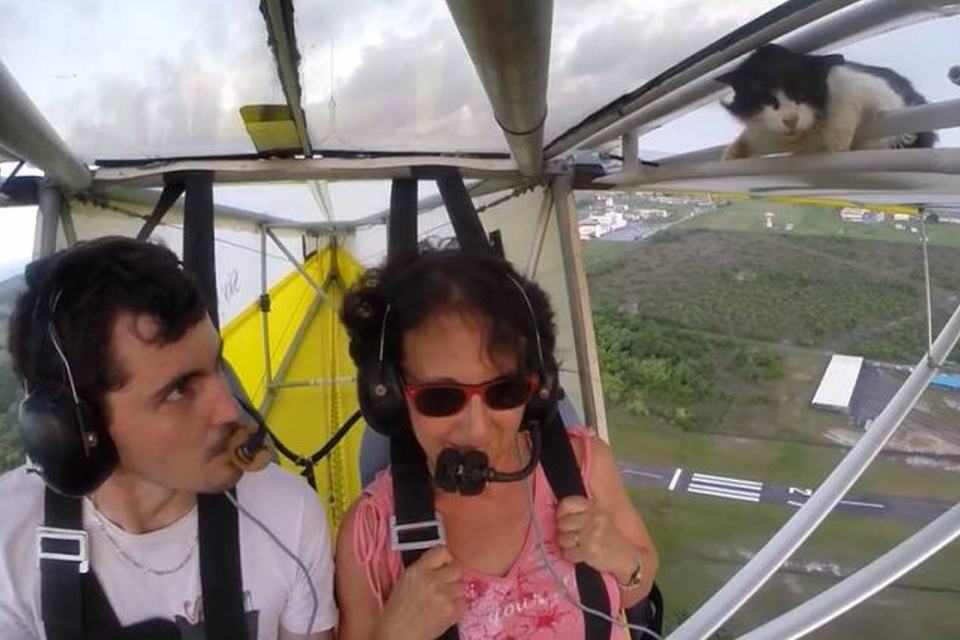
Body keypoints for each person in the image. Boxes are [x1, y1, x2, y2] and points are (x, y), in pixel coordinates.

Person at [0, 237, 337, 639]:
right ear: (77, 427)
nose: (229, 409)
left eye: (217, 365)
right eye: (178, 391)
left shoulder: (289, 515)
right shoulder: (8, 543)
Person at [335, 250, 658, 640]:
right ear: (389, 395)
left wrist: (623, 559)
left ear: (538, 390)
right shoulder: (370, 536)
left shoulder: (585, 469)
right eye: (441, 397)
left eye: (505, 392)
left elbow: (638, 585)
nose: (476, 429)